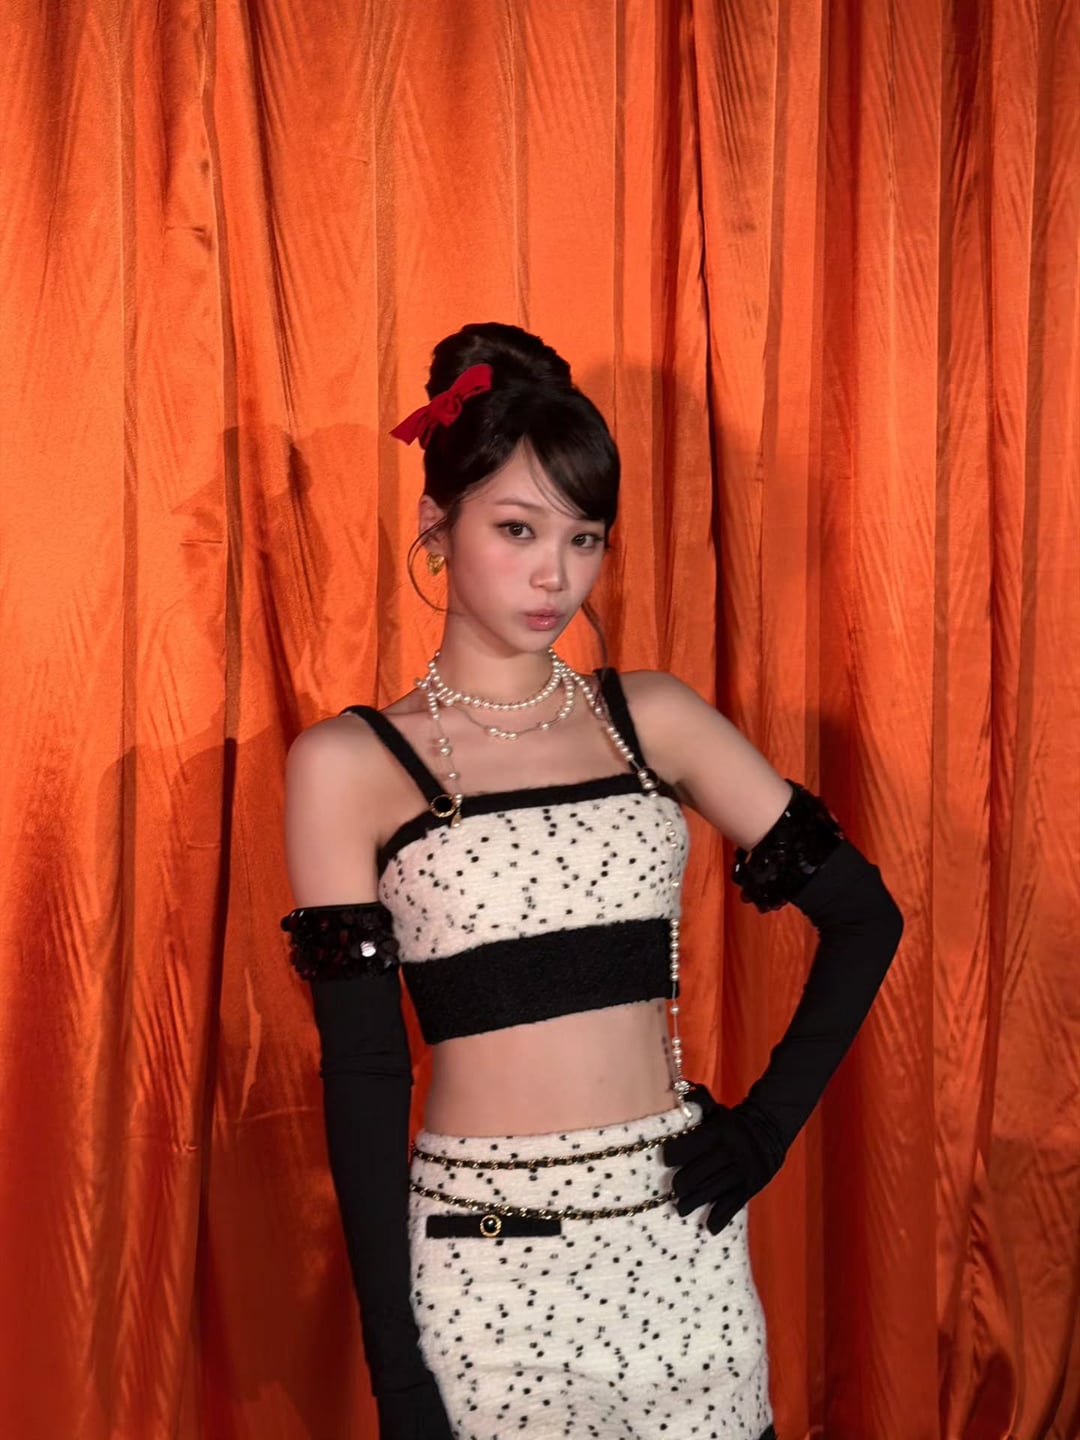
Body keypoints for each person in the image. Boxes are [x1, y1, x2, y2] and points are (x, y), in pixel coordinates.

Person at [280, 322, 904, 1440]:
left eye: (585, 539)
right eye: (517, 528)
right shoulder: (347, 766)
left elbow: (864, 917)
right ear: (436, 525)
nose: (553, 575)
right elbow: (364, 1073)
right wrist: (396, 1375)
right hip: (482, 1270)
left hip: (679, 1249)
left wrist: (763, 1132)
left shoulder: (651, 719)